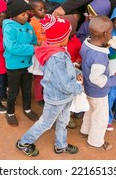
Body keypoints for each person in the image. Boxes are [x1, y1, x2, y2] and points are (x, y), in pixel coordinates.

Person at [16, 14, 83, 157]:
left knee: (63, 121)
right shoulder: (55, 58)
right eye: (68, 34)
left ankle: (61, 145)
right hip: (56, 98)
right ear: (60, 38)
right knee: (46, 123)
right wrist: (79, 88)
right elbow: (65, 84)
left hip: (64, 98)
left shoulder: (56, 49)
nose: (70, 36)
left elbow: (67, 69)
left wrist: (75, 71)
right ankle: (24, 143)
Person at [79, 16, 116, 151]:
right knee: (100, 117)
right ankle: (95, 142)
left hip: (87, 88)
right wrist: (113, 80)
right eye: (111, 31)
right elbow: (97, 78)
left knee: (89, 111)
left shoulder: (86, 43)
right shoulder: (100, 57)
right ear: (106, 34)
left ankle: (85, 131)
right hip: (98, 92)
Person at [3, 0, 39, 126]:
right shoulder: (9, 27)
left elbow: (34, 40)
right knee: (13, 91)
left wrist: (38, 45)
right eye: (23, 14)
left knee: (27, 89)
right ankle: (10, 112)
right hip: (13, 66)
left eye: (27, 14)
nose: (26, 16)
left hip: (28, 64)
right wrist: (33, 48)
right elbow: (12, 47)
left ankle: (27, 109)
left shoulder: (29, 27)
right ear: (14, 15)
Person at [28, 0, 47, 107]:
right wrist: (41, 43)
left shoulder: (47, 20)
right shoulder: (32, 24)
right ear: (32, 11)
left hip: (47, 52)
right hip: (38, 54)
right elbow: (31, 40)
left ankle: (45, 93)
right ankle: (39, 97)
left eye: (44, 8)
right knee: (39, 76)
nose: (44, 11)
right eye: (40, 9)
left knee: (46, 75)